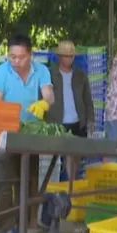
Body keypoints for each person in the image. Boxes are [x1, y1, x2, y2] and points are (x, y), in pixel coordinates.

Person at [0, 33, 54, 233]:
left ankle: (29, 223)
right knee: (5, 182)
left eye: (21, 57)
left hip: (30, 134)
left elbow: (49, 94)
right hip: (5, 135)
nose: (16, 61)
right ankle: (7, 227)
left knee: (30, 180)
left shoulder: (41, 70)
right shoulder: (1, 73)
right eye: (12, 57)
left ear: (30, 55)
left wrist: (44, 103)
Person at [48, 40, 94, 181]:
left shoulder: (80, 75)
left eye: (71, 56)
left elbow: (87, 99)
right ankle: (61, 184)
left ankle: (71, 184)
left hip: (77, 121)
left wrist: (90, 119)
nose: (68, 59)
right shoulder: (50, 74)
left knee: (75, 156)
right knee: (59, 156)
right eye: (65, 56)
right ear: (59, 57)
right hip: (57, 121)